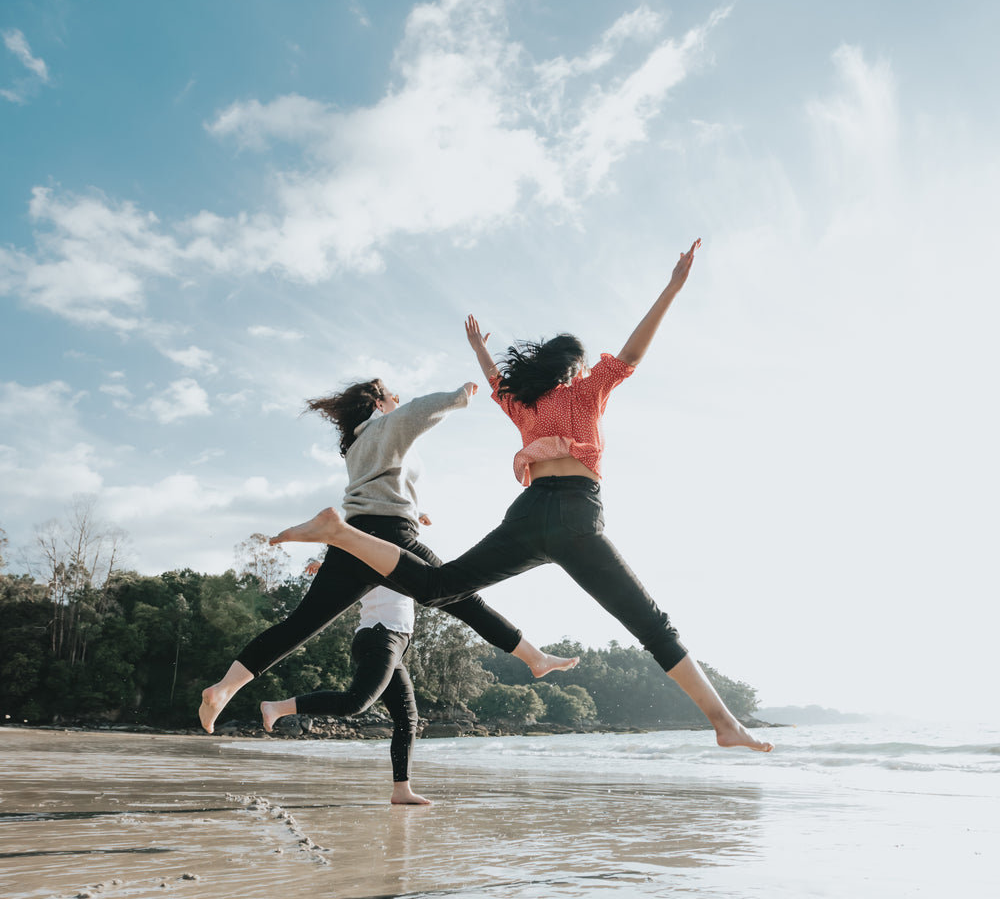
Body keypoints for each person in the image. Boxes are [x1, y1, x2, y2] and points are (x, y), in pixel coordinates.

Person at [267, 242, 773, 753]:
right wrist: (671, 289)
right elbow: (632, 353)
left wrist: (480, 350)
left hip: (529, 518)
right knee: (651, 626)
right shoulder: (586, 390)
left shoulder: (524, 404)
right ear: (574, 368)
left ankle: (341, 533)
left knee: (439, 587)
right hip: (577, 517)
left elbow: (495, 381)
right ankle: (724, 723)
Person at [199, 378, 576, 733]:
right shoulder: (386, 425)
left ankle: (224, 689)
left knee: (299, 626)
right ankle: (534, 658)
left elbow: (382, 485)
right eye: (391, 395)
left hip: (356, 537)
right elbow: (416, 411)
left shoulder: (358, 444)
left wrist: (416, 508)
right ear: (379, 403)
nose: (396, 399)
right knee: (462, 597)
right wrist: (459, 396)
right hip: (393, 537)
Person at [262, 563, 431, 806]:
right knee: (355, 702)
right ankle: (277, 708)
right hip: (381, 636)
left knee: (406, 720)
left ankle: (401, 790)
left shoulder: (402, 559)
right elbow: (354, 554)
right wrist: (326, 567)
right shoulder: (381, 556)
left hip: (393, 644)